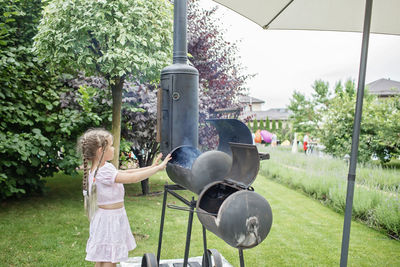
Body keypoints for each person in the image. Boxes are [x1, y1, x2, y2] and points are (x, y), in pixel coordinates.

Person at [77, 128, 171, 267]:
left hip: (104, 218)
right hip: (110, 220)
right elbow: (132, 178)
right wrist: (157, 169)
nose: (114, 149)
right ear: (100, 150)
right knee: (110, 259)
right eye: (111, 145)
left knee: (102, 257)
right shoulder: (105, 171)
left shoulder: (99, 169)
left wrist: (151, 167)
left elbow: (129, 172)